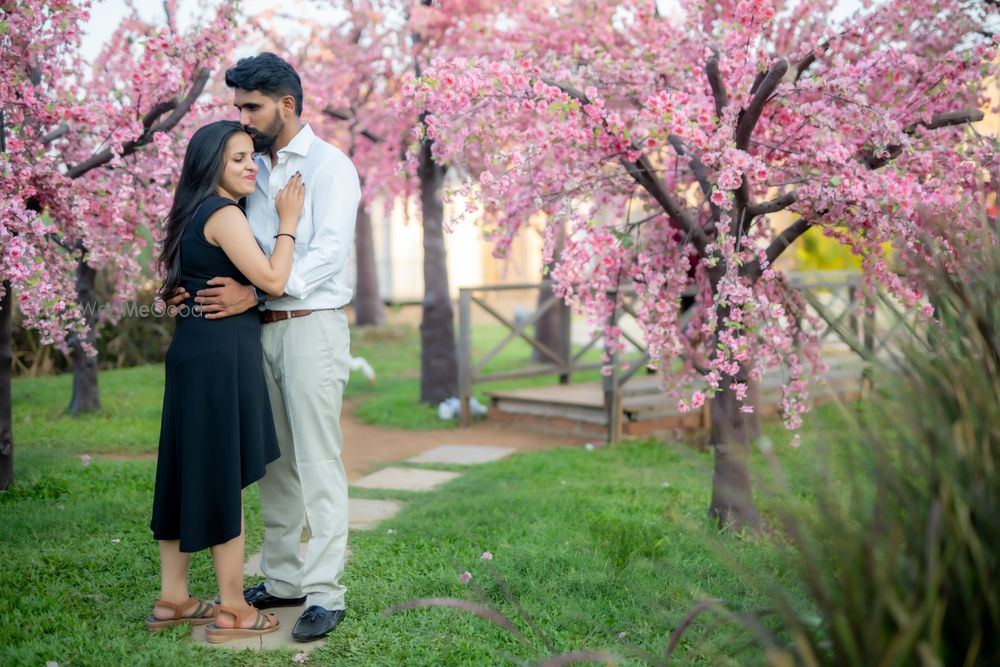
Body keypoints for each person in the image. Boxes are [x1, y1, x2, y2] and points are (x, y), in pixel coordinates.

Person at [167, 53, 360, 642]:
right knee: (275, 462)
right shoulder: (248, 169)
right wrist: (186, 289)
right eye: (237, 108)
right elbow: (235, 248)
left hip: (310, 323)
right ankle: (283, 579)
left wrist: (259, 291)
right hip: (254, 334)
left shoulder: (332, 167)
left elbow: (326, 255)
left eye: (251, 107)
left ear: (287, 104)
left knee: (317, 459)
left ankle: (326, 592)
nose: (243, 119)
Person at [148, 120, 305, 643]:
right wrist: (287, 221)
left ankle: (174, 599)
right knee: (221, 478)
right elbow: (275, 280)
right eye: (237, 157)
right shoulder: (222, 213)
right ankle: (234, 609)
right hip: (220, 357)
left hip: (191, 352)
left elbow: (167, 292)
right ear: (210, 162)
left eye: (250, 157)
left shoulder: (188, 214)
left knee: (185, 469)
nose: (248, 166)